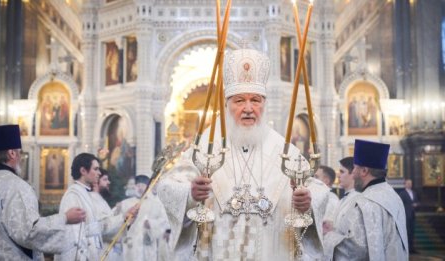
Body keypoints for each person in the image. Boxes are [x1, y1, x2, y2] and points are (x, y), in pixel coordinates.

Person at [158, 48, 329, 260]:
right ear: (226, 104)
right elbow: (167, 186)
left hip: (272, 252)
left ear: (264, 104)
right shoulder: (206, 146)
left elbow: (317, 188)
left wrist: (307, 202)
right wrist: (190, 194)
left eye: (255, 100)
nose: (248, 108)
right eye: (239, 101)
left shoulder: (283, 149)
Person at [0, 124, 86, 260]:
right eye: (20, 152)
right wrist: (65, 218)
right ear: (12, 153)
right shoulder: (16, 186)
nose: (20, 157)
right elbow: (29, 232)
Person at [324, 139, 408, 260]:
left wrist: (328, 236)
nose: (353, 173)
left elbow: (355, 250)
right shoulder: (393, 196)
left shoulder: (366, 202)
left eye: (355, 168)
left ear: (364, 171)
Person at [54, 153, 138, 260]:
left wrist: (124, 217)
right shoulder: (73, 196)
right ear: (83, 171)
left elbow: (98, 227)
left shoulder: (84, 194)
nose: (99, 173)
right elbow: (75, 237)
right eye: (96, 169)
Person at [114, 174, 170, 261]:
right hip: (130, 246)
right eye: (138, 185)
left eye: (143, 185)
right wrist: (117, 210)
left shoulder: (156, 204)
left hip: (147, 245)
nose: (140, 188)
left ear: (147, 187)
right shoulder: (125, 203)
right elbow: (116, 222)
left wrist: (151, 224)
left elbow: (165, 221)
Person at [90, 168, 137, 260]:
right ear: (95, 182)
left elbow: (109, 222)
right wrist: (123, 217)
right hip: (100, 250)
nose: (109, 182)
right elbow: (102, 227)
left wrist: (126, 219)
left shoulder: (100, 200)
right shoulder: (92, 200)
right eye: (105, 179)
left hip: (109, 250)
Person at [323, 157, 360, 238]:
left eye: (342, 172)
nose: (338, 175)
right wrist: (331, 226)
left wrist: (331, 232)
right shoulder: (343, 199)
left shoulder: (357, 200)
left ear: (353, 174)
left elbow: (353, 234)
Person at [398, 179, 419, 253]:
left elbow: (416, 201)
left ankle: (412, 248)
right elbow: (400, 204)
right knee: (407, 231)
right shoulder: (402, 193)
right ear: (405, 184)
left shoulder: (414, 193)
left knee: (412, 232)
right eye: (408, 183)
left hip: (412, 215)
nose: (410, 184)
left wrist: (416, 204)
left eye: (411, 183)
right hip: (406, 215)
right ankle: (406, 248)